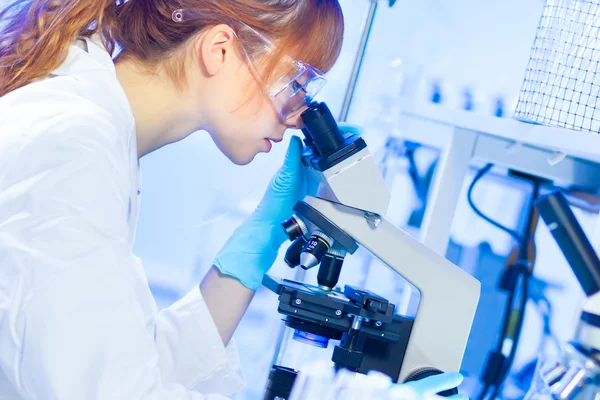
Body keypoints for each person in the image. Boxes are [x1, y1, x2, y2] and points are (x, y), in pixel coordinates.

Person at [0, 0, 467, 399]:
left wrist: (261, 237)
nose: (297, 115)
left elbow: (136, 365)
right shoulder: (74, 147)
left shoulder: (96, 138)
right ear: (219, 50)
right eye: (296, 82)